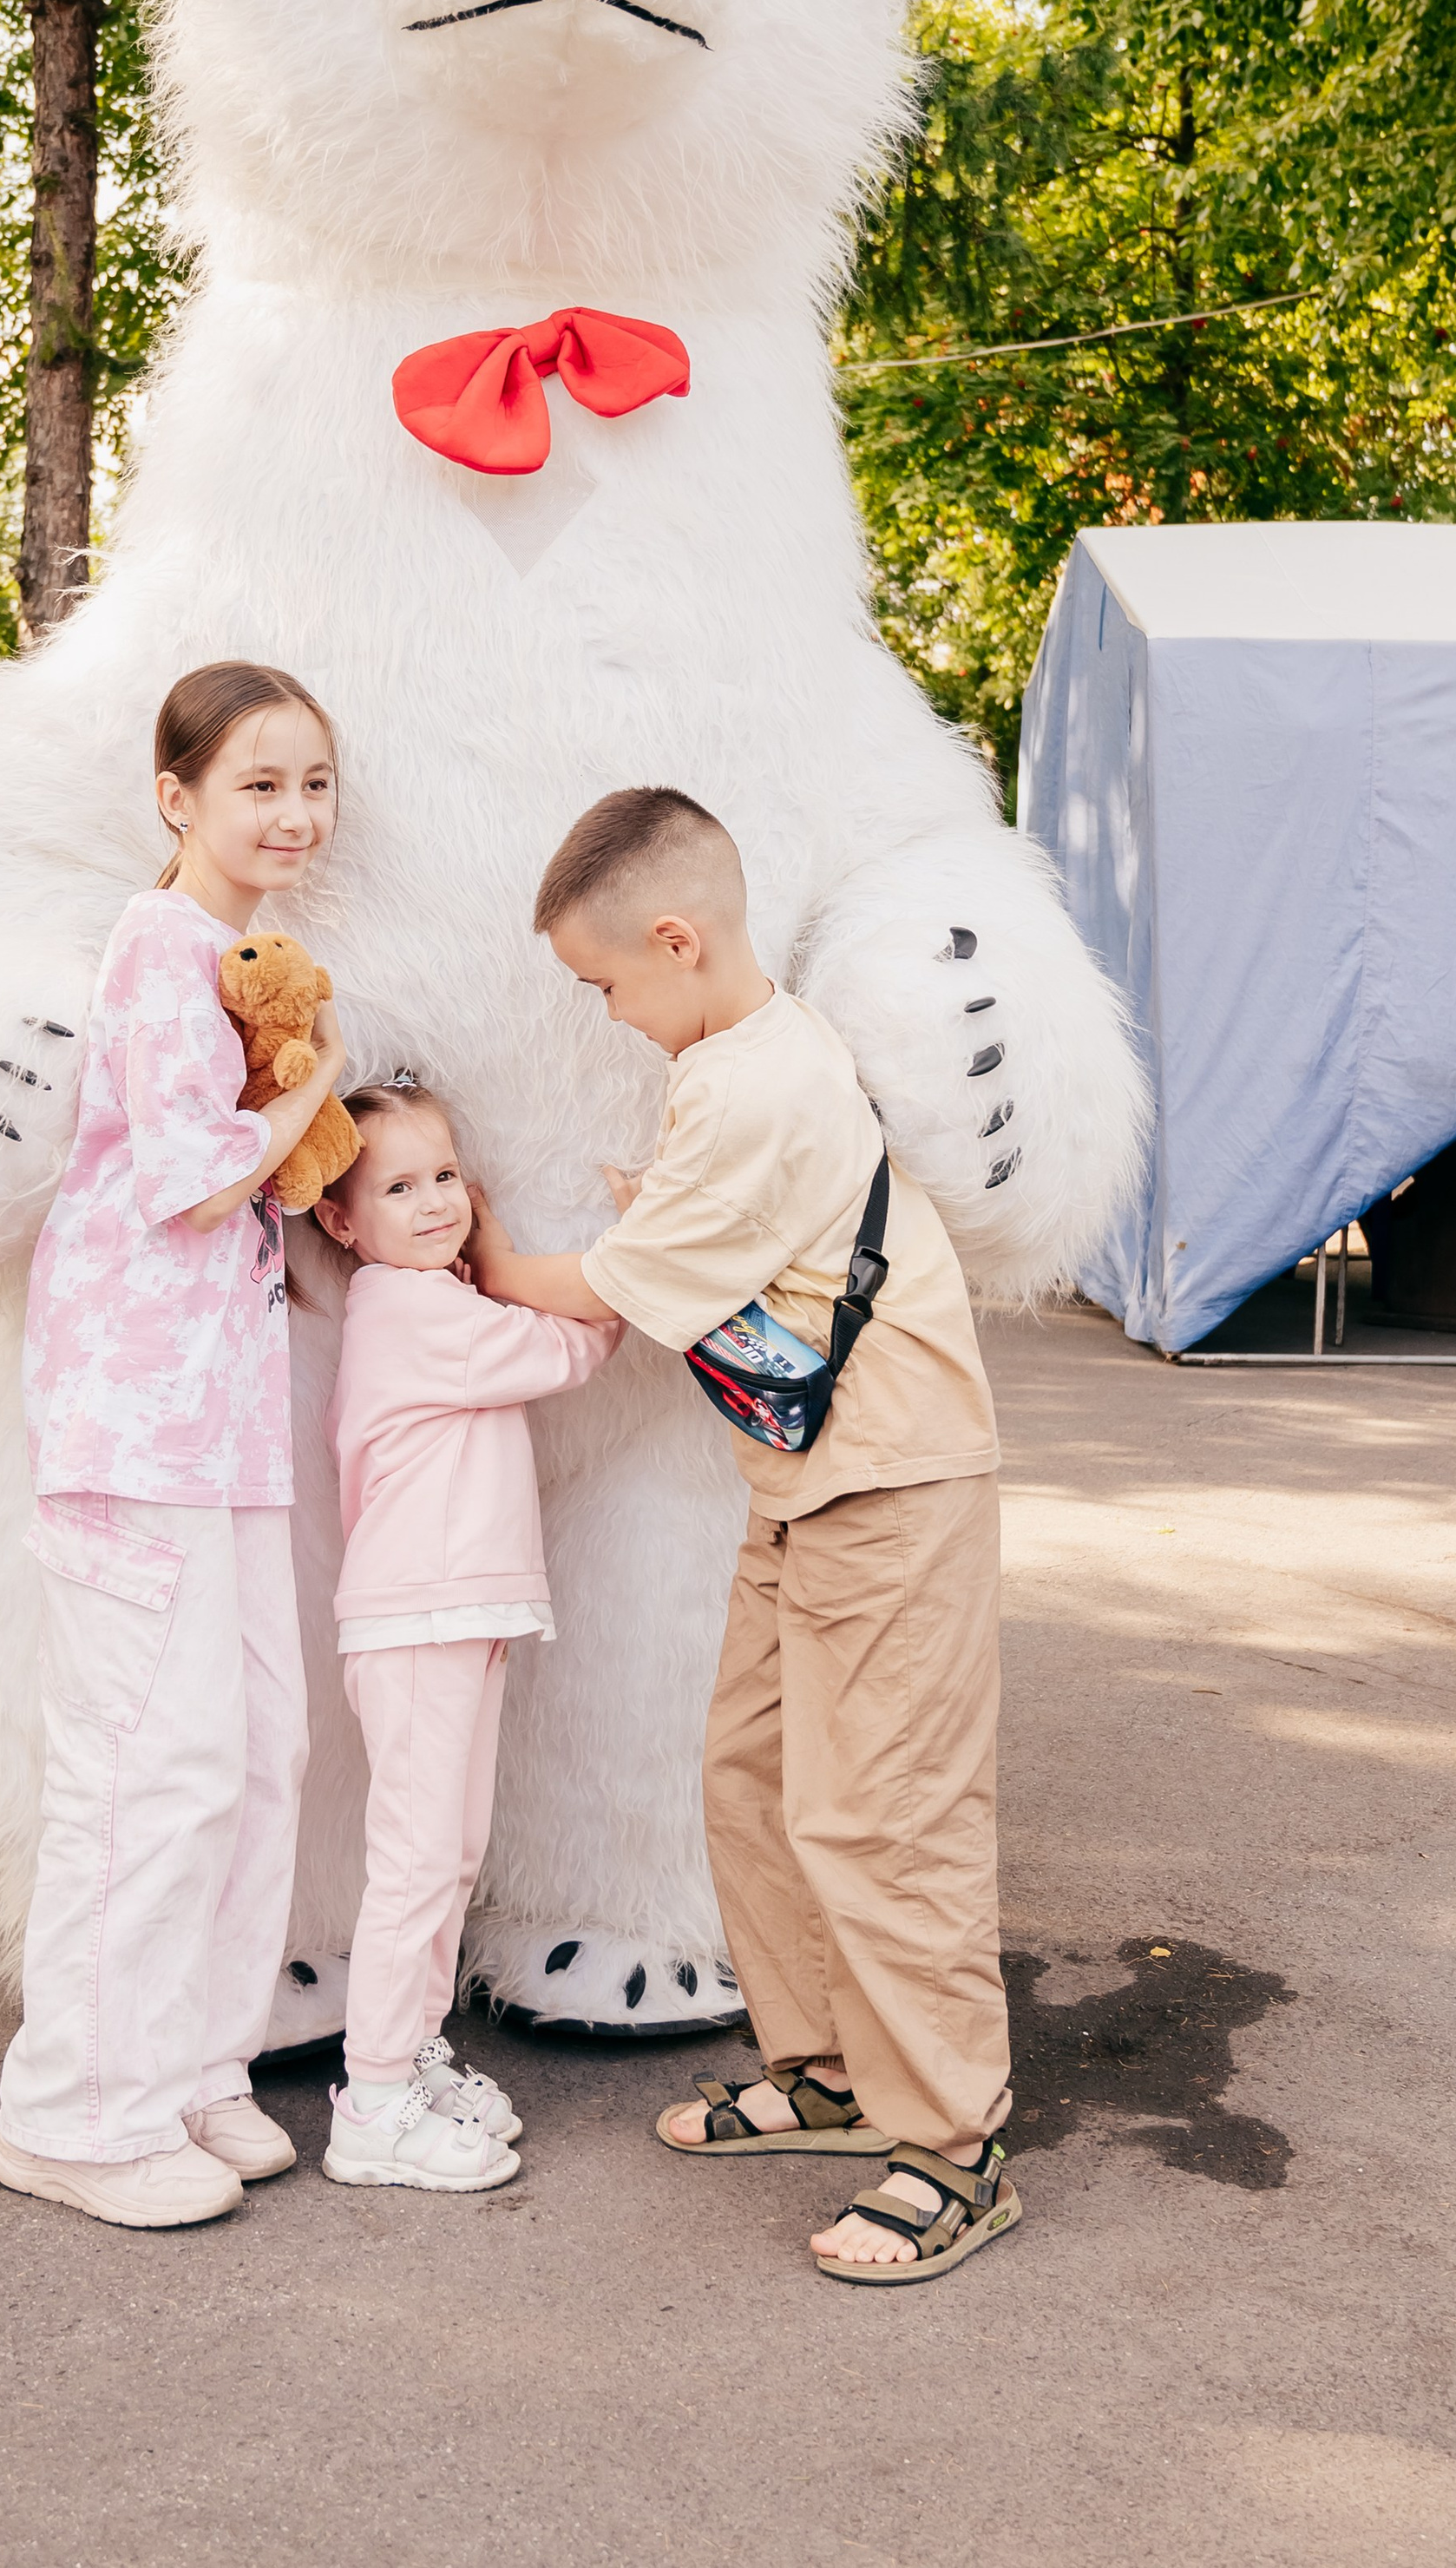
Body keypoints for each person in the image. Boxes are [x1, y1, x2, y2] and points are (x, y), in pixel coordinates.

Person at [466, 786, 1018, 2287]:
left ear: (675, 937)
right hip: (816, 1480)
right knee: (757, 1775)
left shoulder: (752, 1082)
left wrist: (472, 1247)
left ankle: (952, 2144)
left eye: (606, 986)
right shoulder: (745, 1061)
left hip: (889, 1483)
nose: (611, 1014)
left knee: (884, 1815)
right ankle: (834, 2066)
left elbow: (611, 1289)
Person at [0, 660, 348, 2235]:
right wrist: (313, 1094)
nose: (295, 812)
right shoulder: (158, 943)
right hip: (137, 1418)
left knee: (259, 1749)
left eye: (316, 782)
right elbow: (197, 1176)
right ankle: (74, 2108)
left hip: (221, 1425)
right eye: (261, 782)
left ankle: (194, 2063)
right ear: (177, 796)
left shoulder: (232, 955)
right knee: (150, 1761)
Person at [312, 1081, 619, 2192]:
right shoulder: (409, 1306)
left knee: (447, 1853)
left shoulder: (422, 1298)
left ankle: (410, 2050)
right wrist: (524, 1255)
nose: (435, 1201)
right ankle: (376, 2100)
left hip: (450, 1610)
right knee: (416, 1858)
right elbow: (570, 1348)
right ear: (344, 1224)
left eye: (447, 1176)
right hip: (419, 1614)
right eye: (399, 1187)